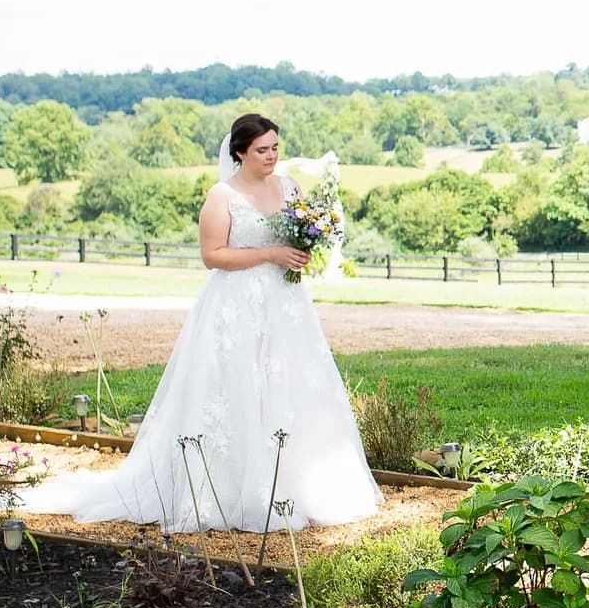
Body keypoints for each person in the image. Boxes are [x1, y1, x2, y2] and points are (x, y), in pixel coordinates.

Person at [22, 114, 382, 533]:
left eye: (275, 148)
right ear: (239, 153)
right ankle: (234, 490)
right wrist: (271, 254)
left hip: (285, 303)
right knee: (236, 386)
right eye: (261, 150)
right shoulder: (222, 196)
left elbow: (296, 232)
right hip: (235, 303)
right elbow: (213, 256)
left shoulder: (289, 188)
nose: (270, 156)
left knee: (288, 382)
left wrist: (300, 250)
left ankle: (300, 484)